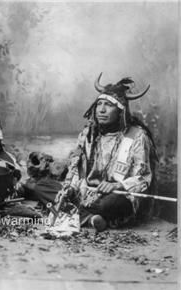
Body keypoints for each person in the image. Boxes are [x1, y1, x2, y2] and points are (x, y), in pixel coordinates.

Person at [63, 73, 158, 232]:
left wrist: (117, 185)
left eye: (109, 105)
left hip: (117, 196)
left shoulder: (137, 136)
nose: (101, 110)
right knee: (55, 191)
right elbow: (76, 169)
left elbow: (143, 178)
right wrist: (70, 188)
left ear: (121, 111)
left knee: (109, 204)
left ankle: (79, 214)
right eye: (99, 104)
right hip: (87, 190)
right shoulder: (89, 134)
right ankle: (93, 219)